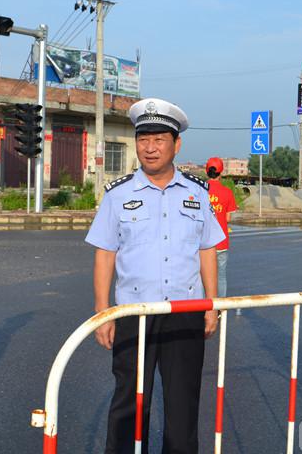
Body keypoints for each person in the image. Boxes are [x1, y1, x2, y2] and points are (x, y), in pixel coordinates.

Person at [86, 97, 225, 454]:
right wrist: (103, 311)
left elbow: (207, 250)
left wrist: (212, 304)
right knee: (129, 406)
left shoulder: (197, 193)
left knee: (182, 406)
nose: (150, 147)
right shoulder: (117, 196)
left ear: (176, 144)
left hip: (185, 313)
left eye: (159, 139)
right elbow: (106, 254)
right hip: (134, 315)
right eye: (143, 139)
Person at [205, 157, 237, 298]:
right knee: (221, 276)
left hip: (203, 243)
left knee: (202, 277)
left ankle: (204, 307)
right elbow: (228, 218)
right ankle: (220, 308)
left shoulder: (198, 189)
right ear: (221, 172)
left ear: (207, 171)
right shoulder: (227, 192)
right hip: (221, 241)